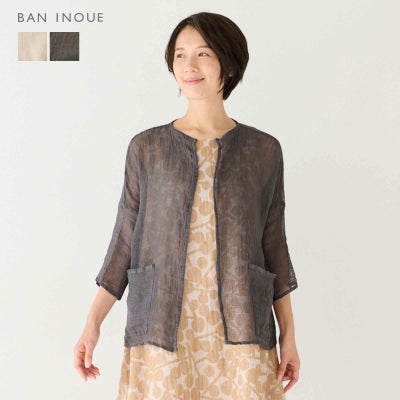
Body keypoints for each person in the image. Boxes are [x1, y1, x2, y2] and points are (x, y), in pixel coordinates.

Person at [74, 11, 300, 399]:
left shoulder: (263, 150)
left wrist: (289, 335)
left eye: (203, 54)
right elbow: (124, 242)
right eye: (180, 55)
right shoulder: (147, 148)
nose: (189, 66)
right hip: (162, 331)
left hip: (242, 331)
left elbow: (274, 247)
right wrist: (91, 325)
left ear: (229, 64)